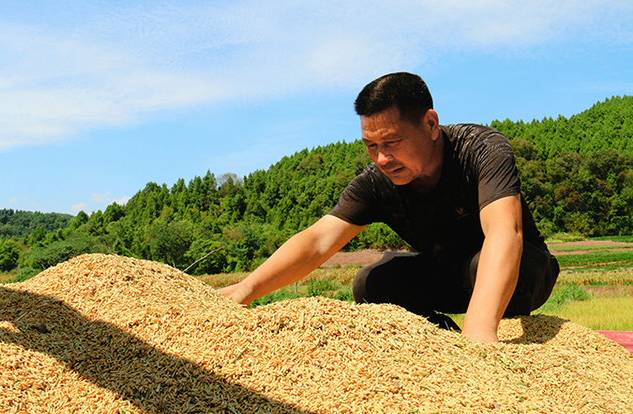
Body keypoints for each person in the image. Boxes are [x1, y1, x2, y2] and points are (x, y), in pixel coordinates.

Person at [218, 72, 559, 343]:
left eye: (392, 142)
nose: (382, 158)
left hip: (524, 273)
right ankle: (435, 342)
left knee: (479, 264)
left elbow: (504, 232)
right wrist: (248, 288)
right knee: (370, 283)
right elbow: (319, 239)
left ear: (430, 123)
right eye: (371, 145)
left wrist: (480, 333)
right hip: (449, 272)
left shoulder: (481, 150)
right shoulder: (377, 182)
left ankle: (474, 331)